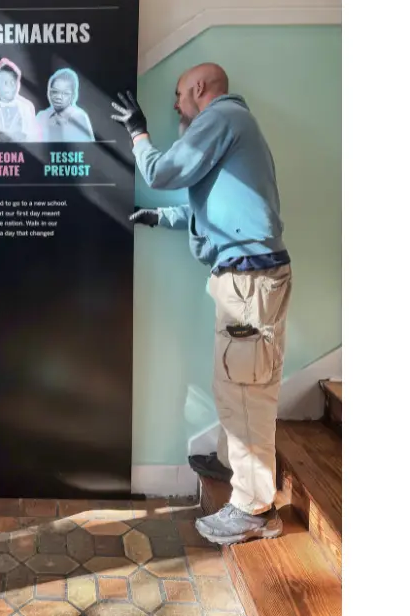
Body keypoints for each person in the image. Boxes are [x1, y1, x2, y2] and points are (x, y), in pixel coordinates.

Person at [110, 63, 292, 546]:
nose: (175, 105)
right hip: (248, 279)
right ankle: (233, 464)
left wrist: (138, 132)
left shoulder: (222, 117)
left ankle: (254, 509)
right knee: (236, 384)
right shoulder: (233, 125)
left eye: (178, 95)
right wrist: (159, 217)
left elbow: (163, 171)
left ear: (198, 88)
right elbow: (211, 207)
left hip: (249, 281)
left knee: (245, 392)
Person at [36, 67, 94, 142]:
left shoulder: (79, 117)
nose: (59, 97)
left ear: (73, 95)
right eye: (55, 92)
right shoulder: (42, 116)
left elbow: (88, 147)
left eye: (65, 93)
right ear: (49, 92)